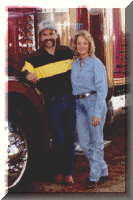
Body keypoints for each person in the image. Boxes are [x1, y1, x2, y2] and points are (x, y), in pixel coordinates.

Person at [21, 22, 76, 184]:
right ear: (40, 38)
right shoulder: (33, 58)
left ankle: (69, 173)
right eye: (44, 35)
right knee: (58, 139)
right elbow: (22, 70)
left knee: (69, 139)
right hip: (52, 103)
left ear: (57, 35)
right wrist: (26, 75)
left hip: (70, 100)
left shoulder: (67, 52)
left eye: (51, 34)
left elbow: (80, 67)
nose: (48, 38)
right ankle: (58, 171)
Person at [71, 30, 109, 187]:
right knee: (84, 143)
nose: (81, 46)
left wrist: (98, 113)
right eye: (79, 43)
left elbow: (102, 90)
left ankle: (94, 177)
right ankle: (103, 170)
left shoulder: (96, 63)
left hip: (94, 103)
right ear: (76, 46)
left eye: (84, 43)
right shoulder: (74, 63)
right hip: (79, 105)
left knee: (96, 141)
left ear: (89, 45)